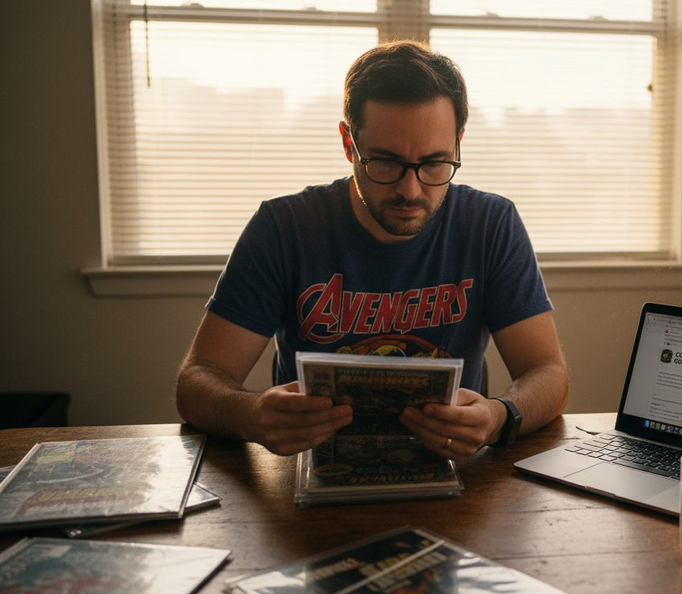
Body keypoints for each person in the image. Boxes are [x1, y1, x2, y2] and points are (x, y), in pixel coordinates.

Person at [176, 41, 568, 460]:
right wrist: (251, 414)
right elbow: (197, 381)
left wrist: (499, 416)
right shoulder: (284, 228)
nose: (410, 190)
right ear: (349, 144)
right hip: (308, 474)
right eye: (385, 163)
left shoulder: (490, 224)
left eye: (435, 163)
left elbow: (547, 372)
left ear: (457, 145)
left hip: (451, 476)